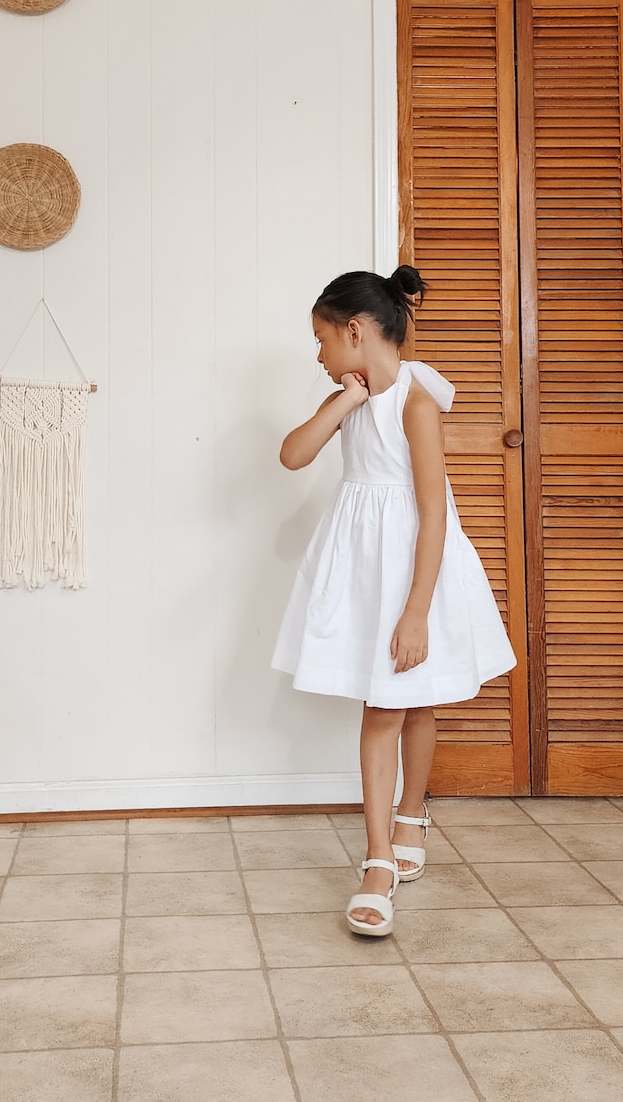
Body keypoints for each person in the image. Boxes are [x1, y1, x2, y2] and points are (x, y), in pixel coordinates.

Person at [271, 267, 516, 937]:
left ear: (354, 330)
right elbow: (293, 456)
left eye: (322, 340)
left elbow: (433, 514)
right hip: (361, 566)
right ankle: (396, 835)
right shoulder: (352, 398)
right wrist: (341, 405)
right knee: (393, 701)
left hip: (414, 566)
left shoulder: (415, 401)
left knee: (405, 699)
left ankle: (390, 845)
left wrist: (416, 611)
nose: (319, 356)